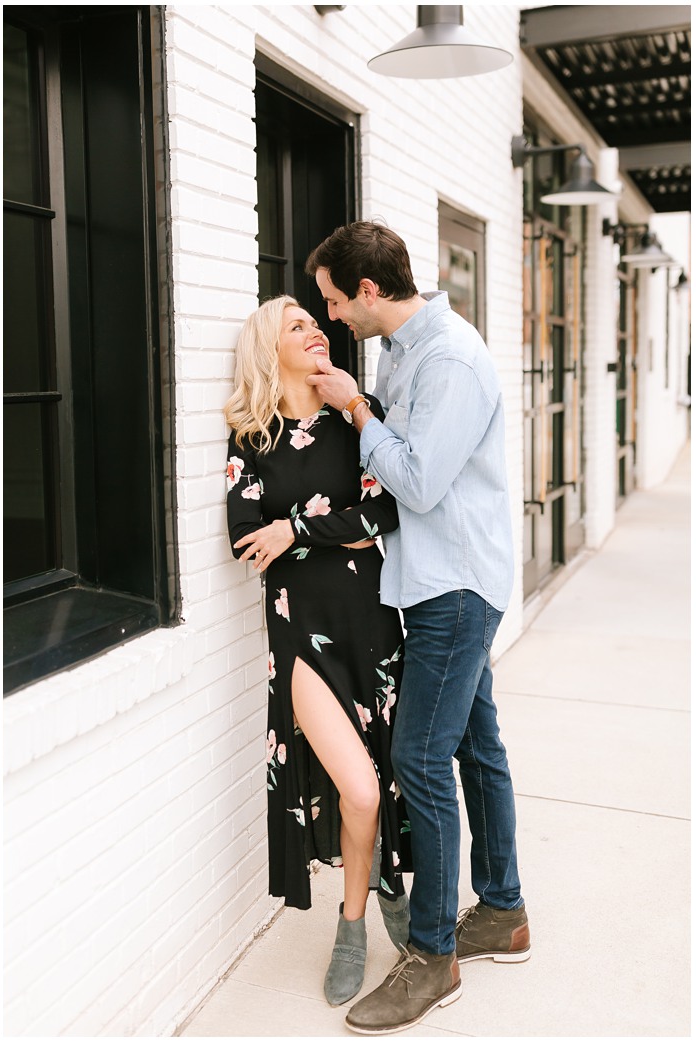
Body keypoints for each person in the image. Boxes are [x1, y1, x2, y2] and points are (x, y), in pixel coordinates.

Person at [304, 221, 527, 1035]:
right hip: (436, 579)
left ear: (368, 290)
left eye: (334, 300)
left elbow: (423, 483)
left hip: (457, 584)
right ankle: (502, 910)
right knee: (474, 744)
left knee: (419, 758)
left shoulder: (452, 361)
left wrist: (357, 409)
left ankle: (433, 958)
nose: (331, 318)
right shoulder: (403, 349)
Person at [224, 296, 412, 1007]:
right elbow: (247, 533)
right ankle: (357, 924)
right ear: (269, 349)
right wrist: (337, 526)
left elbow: (388, 507)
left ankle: (369, 902)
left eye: (316, 321)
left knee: (381, 785)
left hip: (373, 628)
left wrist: (295, 527)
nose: (315, 331)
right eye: (296, 325)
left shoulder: (357, 419)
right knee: (357, 789)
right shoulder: (252, 437)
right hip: (301, 637)